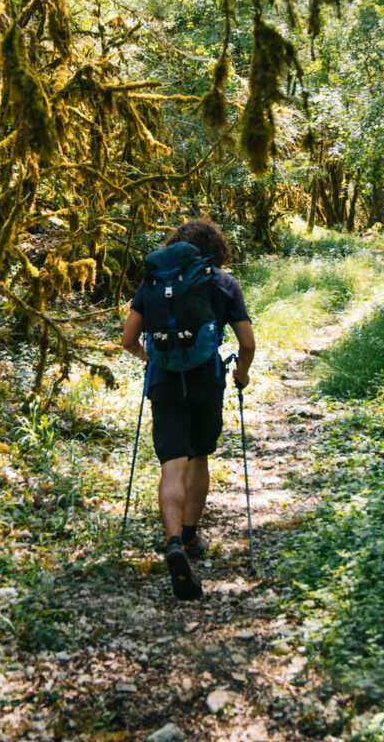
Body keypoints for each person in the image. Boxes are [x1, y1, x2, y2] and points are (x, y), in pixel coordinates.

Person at [120, 219, 255, 600]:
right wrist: (241, 375)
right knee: (199, 456)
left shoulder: (154, 283)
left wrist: (151, 359)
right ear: (214, 248)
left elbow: (127, 338)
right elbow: (247, 342)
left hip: (164, 381)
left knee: (172, 463)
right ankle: (192, 534)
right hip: (206, 380)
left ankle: (174, 541)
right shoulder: (222, 283)